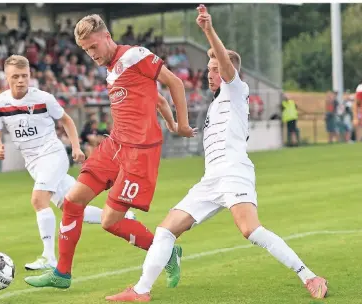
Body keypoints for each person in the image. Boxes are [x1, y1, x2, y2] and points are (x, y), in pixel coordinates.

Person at [106, 5, 328, 302]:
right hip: (212, 178)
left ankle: (309, 276)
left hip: (234, 171)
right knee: (165, 230)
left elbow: (225, 64)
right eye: (208, 70)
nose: (209, 74)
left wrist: (208, 31)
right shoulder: (215, 104)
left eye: (214, 70)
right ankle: (141, 290)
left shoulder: (237, 89)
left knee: (250, 230)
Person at [24, 14, 196, 289]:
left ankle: (166, 253)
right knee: (72, 201)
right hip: (114, 145)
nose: (91, 54)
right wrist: (170, 121)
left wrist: (182, 125)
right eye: (85, 50)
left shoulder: (135, 55)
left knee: (109, 221)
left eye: (93, 47)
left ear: (107, 37)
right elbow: (157, 98)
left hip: (139, 153)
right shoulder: (112, 68)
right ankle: (62, 274)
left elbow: (173, 83)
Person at [0, 55, 135, 271]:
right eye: (15, 76)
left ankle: (48, 257)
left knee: (39, 200)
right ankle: (124, 217)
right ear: (6, 77)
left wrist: (76, 148)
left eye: (25, 76)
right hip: (33, 164)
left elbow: (66, 120)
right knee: (71, 207)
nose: (21, 80)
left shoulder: (43, 98)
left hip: (52, 155)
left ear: (30, 76)